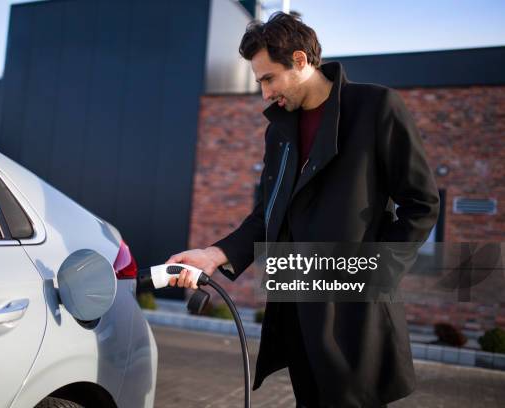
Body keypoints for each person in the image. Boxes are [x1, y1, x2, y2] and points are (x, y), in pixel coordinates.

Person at [166, 12, 439, 408]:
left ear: (299, 61)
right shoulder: (279, 131)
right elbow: (267, 215)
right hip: (298, 317)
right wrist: (213, 254)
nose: (264, 94)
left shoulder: (376, 107)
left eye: (268, 79)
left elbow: (422, 204)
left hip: (354, 321)